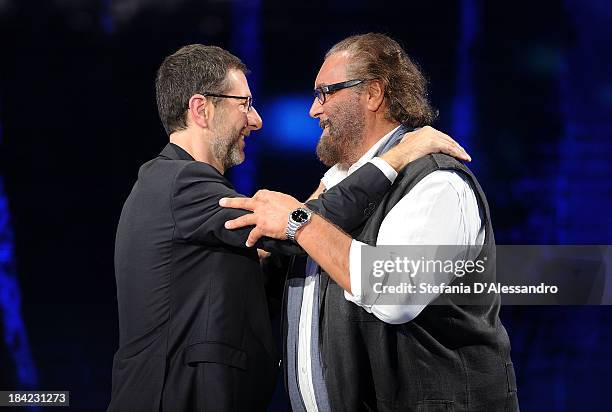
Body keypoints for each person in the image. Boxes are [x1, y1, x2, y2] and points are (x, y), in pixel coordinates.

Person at [108, 43, 470, 411]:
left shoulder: (179, 187)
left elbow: (286, 237)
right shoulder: (180, 184)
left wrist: (321, 193)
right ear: (202, 109)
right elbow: (292, 232)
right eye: (244, 104)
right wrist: (397, 156)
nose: (256, 120)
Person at [221, 33, 519, 411]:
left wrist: (298, 222)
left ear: (373, 94)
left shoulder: (436, 182)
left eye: (325, 93)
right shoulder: (342, 185)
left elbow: (395, 291)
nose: (314, 110)